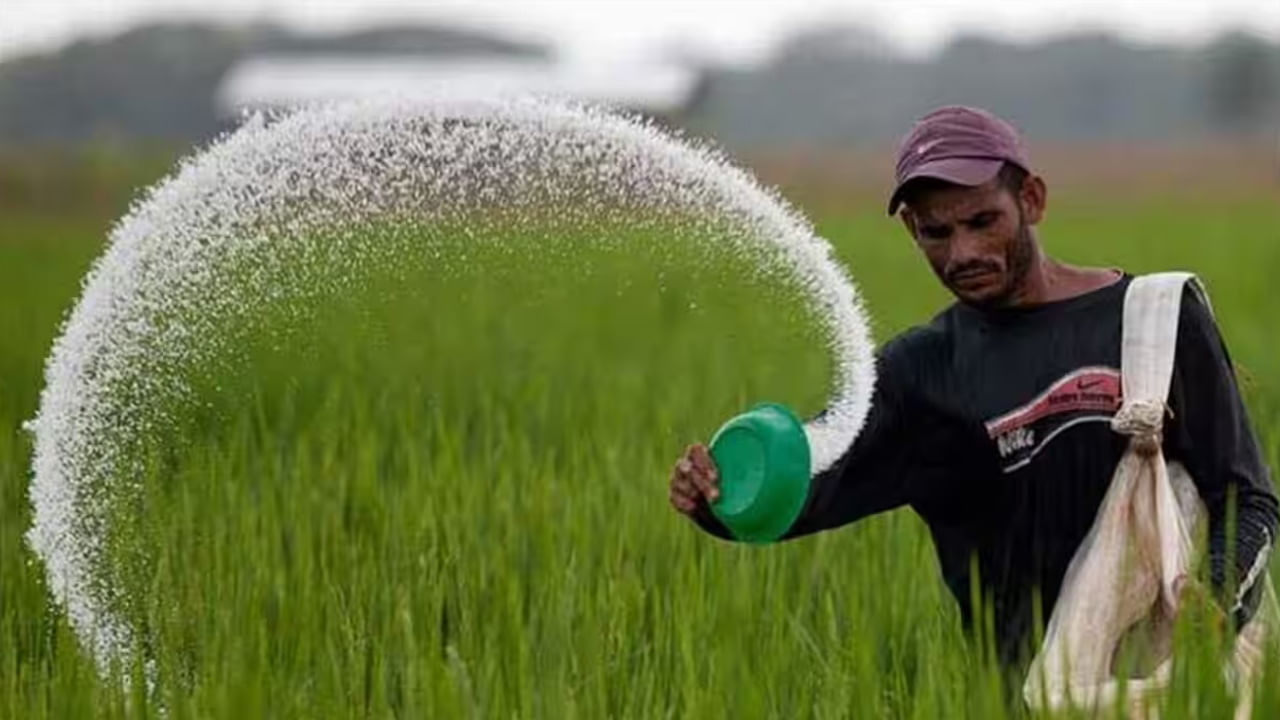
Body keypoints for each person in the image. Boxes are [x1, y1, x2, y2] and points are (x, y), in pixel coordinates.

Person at [668, 105, 1279, 664]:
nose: (962, 252)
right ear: (912, 229)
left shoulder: (1154, 319)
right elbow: (808, 489)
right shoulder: (921, 372)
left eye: (983, 221)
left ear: (1031, 200)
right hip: (1023, 696)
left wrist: (1215, 603)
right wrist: (717, 499)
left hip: (1168, 683)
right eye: (936, 233)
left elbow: (1245, 495)